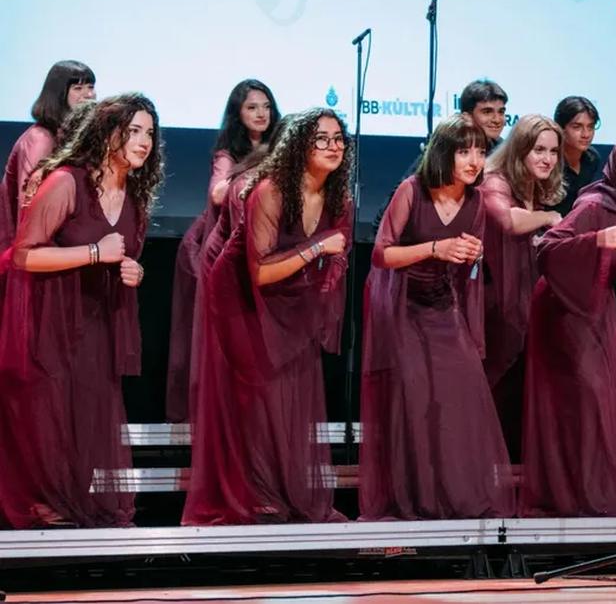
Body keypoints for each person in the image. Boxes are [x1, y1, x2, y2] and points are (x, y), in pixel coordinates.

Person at [183, 109, 352, 525]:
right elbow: (260, 271)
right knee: (257, 393)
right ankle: (254, 497)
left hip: (292, 295)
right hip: (239, 293)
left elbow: (335, 262)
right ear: (298, 146)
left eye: (339, 139)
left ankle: (282, 491)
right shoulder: (272, 191)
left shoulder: (339, 198)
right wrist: (317, 248)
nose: (334, 147)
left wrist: (315, 300)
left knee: (293, 391)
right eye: (322, 139)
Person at [0, 93, 161, 527]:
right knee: (50, 417)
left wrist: (135, 272)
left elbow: (123, 257)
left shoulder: (133, 196)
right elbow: (23, 256)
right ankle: (44, 509)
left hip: (98, 323)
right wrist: (94, 252)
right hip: (50, 321)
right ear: (107, 134)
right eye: (133, 131)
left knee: (87, 418)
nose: (144, 141)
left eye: (149, 132)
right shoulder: (67, 182)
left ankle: (72, 504)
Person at [360, 115, 513, 519]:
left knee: (458, 395)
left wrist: (472, 256)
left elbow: (467, 262)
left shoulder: (476, 200)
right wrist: (435, 249)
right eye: (465, 151)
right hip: (401, 302)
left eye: (481, 151)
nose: (475, 160)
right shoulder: (412, 191)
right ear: (445, 152)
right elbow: (381, 254)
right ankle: (418, 499)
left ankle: (456, 496)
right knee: (415, 400)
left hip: (443, 303)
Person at [521, 138, 616, 516]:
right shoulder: (594, 205)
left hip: (600, 306)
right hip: (565, 307)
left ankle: (595, 490)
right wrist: (595, 242)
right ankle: (572, 491)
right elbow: (548, 248)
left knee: (604, 397)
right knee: (587, 395)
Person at [167, 79, 281, 423]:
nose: (261, 114)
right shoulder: (228, 153)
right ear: (238, 114)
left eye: (266, 107)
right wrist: (259, 171)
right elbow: (218, 192)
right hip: (218, 248)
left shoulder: (282, 146)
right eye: (252, 107)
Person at [479, 114, 564, 455]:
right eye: (538, 149)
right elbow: (507, 220)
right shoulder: (495, 180)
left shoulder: (535, 187)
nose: (547, 158)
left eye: (554, 151)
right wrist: (551, 219)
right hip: (496, 303)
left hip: (528, 298)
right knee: (494, 380)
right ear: (518, 150)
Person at [0, 61, 97, 266]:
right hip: (31, 258)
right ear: (58, 95)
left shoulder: (72, 138)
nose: (88, 95)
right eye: (78, 88)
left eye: (90, 87)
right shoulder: (40, 140)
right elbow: (30, 211)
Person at [550, 96, 602, 217]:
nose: (586, 134)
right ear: (560, 128)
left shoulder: (592, 158)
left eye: (590, 127)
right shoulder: (549, 161)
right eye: (577, 127)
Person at [460, 79, 509, 154]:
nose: (497, 120)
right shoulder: (450, 149)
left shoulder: (505, 150)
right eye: (487, 112)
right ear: (467, 117)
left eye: (501, 112)